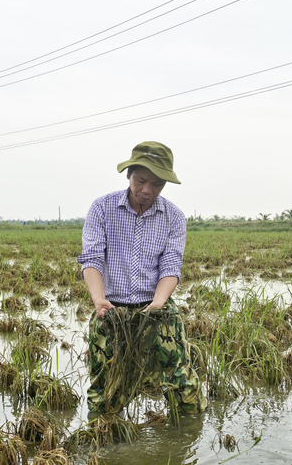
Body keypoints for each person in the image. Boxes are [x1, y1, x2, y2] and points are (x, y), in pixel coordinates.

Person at [77, 141, 207, 414]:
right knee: (105, 393)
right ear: (128, 175)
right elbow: (92, 259)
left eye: (157, 184)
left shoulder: (174, 217)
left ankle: (183, 441)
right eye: (141, 180)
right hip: (111, 312)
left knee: (184, 388)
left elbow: (171, 265)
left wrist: (159, 303)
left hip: (157, 309)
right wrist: (99, 299)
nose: (147, 190)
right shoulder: (102, 208)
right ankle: (110, 445)